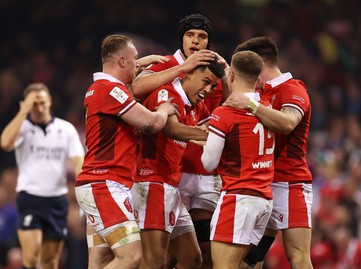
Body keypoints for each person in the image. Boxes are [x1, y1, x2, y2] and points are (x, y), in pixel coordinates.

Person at [133, 13, 228, 268]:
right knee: (155, 259)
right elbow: (137, 90)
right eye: (190, 35)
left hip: (177, 180)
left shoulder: (200, 91)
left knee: (194, 257)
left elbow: (218, 111)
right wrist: (213, 136)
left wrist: (227, 76)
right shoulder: (167, 79)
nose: (196, 41)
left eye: (202, 36)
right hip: (153, 179)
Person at [74, 34, 177, 269]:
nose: (137, 65)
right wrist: (164, 108)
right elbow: (152, 124)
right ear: (122, 61)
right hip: (104, 185)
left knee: (101, 260)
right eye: (135, 60)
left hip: (99, 185)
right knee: (131, 256)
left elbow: (127, 79)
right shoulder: (110, 90)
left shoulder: (99, 88)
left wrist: (142, 62)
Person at [223, 36, 313, 269]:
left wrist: (252, 105)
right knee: (249, 259)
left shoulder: (293, 89)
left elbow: (287, 123)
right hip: (261, 185)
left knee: (298, 256)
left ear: (260, 65)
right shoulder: (259, 94)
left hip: (289, 183)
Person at [200, 50, 274, 269]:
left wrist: (206, 143)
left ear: (230, 75)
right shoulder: (267, 108)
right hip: (264, 201)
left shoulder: (225, 113)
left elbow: (209, 163)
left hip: (239, 199)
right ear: (258, 78)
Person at [0, 82, 85, 269]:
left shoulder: (66, 129)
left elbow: (79, 165)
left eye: (42, 102)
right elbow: (5, 143)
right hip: (30, 199)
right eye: (34, 103)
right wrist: (23, 113)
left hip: (57, 200)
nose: (39, 107)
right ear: (26, 104)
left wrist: (83, 196)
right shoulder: (22, 129)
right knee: (30, 259)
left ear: (50, 101)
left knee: (51, 261)